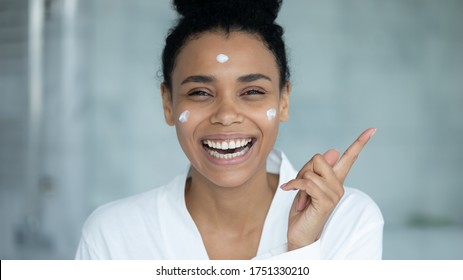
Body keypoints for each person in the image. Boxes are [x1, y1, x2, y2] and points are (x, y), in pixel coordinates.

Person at [75, 0, 383, 260]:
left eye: (251, 92)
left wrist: (302, 251)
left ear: (284, 100)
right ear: (168, 103)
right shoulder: (113, 237)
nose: (225, 116)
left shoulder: (348, 221)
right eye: (200, 92)